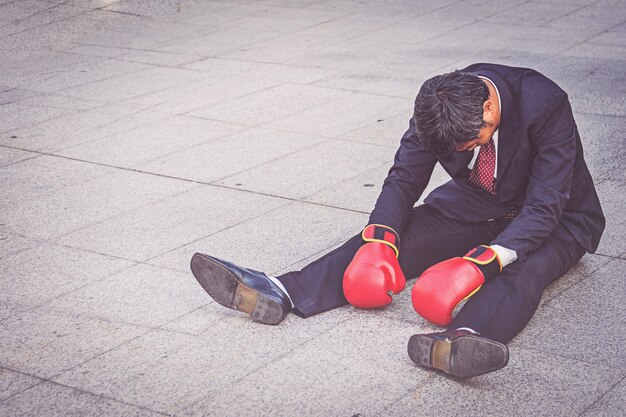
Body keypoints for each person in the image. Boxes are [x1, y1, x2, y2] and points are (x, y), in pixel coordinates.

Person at [190, 63, 605, 379]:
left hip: (559, 217)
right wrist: (379, 240)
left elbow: (545, 205)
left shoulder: (545, 103)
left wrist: (482, 261)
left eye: (472, 143)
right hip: (474, 205)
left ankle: (464, 339)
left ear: (490, 107)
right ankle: (283, 291)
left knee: (525, 268)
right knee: (388, 242)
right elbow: (405, 179)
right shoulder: (435, 105)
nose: (463, 152)